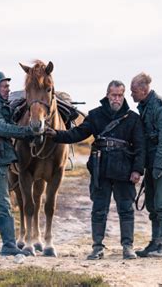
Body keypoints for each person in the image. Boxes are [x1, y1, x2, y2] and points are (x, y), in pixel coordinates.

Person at [46, 80, 145, 260]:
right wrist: (56, 135)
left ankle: (128, 247)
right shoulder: (95, 115)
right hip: (101, 169)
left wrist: (137, 169)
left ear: (123, 96)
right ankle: (97, 247)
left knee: (126, 210)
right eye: (113, 95)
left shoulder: (133, 118)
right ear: (107, 95)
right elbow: (77, 134)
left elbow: (140, 147)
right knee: (99, 210)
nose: (116, 99)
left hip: (124, 170)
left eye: (120, 95)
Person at [0, 71, 39, 256]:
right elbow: (1, 128)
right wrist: (28, 131)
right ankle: (9, 245)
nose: (8, 89)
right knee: (3, 203)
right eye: (4, 86)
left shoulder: (1, 105)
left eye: (8, 86)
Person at [130, 72, 162, 259]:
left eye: (133, 91)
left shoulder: (161, 107)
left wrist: (158, 167)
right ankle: (155, 242)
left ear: (143, 89)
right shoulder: (145, 106)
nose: (131, 95)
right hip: (151, 163)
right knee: (152, 205)